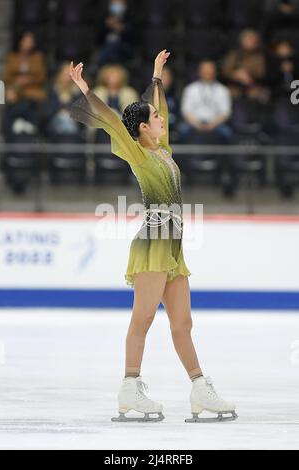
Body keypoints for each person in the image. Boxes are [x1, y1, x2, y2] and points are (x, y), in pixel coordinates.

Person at [69, 51, 237, 423]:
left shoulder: (163, 151)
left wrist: (157, 75)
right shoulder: (139, 155)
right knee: (142, 318)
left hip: (173, 244)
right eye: (157, 119)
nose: (162, 120)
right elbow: (114, 122)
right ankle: (129, 387)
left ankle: (199, 390)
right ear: (143, 128)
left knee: (183, 323)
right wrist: (85, 88)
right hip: (153, 241)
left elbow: (156, 107)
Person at [180, 60, 232, 144]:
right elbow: (186, 111)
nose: (207, 72)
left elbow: (226, 113)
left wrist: (212, 125)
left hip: (216, 124)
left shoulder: (223, 90)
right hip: (194, 124)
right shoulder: (190, 89)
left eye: (210, 70)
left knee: (228, 133)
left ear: (215, 72)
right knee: (182, 130)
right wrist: (198, 125)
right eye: (205, 70)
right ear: (200, 72)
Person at [222, 29, 269, 102]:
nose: (252, 42)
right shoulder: (234, 54)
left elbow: (262, 73)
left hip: (254, 86)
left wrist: (248, 75)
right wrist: (235, 74)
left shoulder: (260, 56)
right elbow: (225, 70)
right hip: (234, 85)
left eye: (254, 40)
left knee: (260, 95)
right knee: (226, 94)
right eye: (249, 39)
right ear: (242, 41)